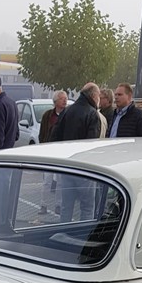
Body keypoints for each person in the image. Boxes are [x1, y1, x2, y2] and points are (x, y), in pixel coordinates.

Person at [50, 82, 102, 221]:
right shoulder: (92, 114)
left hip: (67, 167)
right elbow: (92, 144)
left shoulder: (67, 111)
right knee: (87, 207)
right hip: (85, 169)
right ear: (94, 95)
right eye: (99, 95)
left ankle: (63, 231)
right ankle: (84, 234)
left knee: (66, 207)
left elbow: (54, 137)